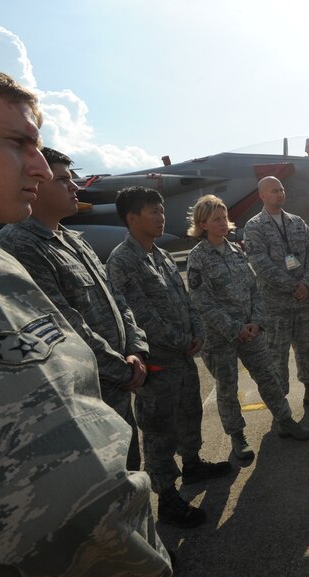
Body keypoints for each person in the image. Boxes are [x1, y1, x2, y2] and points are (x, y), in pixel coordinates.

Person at [0, 48, 171, 577]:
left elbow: (114, 303)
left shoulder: (14, 251)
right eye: (15, 142)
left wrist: (134, 349)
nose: (40, 166)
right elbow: (81, 510)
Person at [0, 147, 148, 471]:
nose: (75, 186)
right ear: (37, 183)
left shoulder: (76, 240)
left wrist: (136, 348)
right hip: (83, 399)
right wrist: (123, 369)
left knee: (130, 475)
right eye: (64, 180)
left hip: (117, 384)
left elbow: (116, 297)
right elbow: (65, 325)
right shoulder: (18, 245)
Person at [107, 187, 232, 529]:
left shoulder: (158, 255)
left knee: (190, 415)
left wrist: (197, 332)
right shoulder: (123, 261)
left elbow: (186, 299)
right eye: (153, 212)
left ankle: (193, 465)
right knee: (160, 433)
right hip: (159, 364)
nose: (162, 217)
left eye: (162, 211)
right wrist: (182, 340)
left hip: (183, 356)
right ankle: (167, 497)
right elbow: (139, 315)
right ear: (132, 218)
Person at [186, 194, 309, 457]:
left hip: (251, 331)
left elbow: (254, 289)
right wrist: (235, 328)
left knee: (268, 375)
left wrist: (255, 322)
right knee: (228, 387)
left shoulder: (235, 251)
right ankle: (237, 435)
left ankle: (284, 420)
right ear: (203, 224)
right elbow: (203, 302)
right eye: (216, 219)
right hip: (221, 337)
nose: (223, 223)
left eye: (224, 218)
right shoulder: (198, 258)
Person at [244, 176, 309, 410]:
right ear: (262, 195)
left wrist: (306, 283)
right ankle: (280, 404)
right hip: (276, 306)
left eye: (282, 189)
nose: (280, 194)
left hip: (304, 302)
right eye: (274, 191)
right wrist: (293, 286)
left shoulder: (297, 222)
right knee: (277, 355)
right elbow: (261, 265)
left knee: (307, 348)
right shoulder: (254, 226)